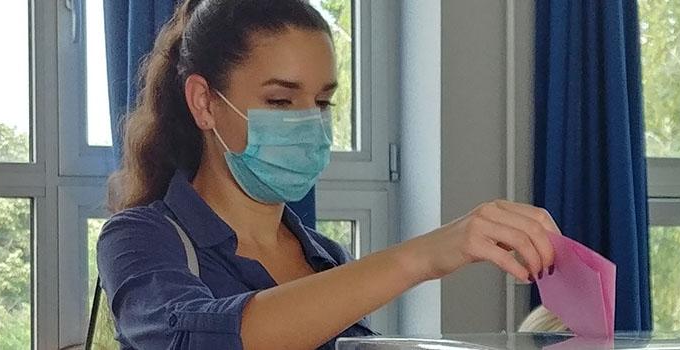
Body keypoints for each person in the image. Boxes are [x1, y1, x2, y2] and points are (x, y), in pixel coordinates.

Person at [96, 0, 562, 349]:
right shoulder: (141, 238)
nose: (308, 123)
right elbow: (200, 336)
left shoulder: (324, 258)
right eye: (280, 100)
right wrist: (423, 256)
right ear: (203, 102)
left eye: (322, 103)